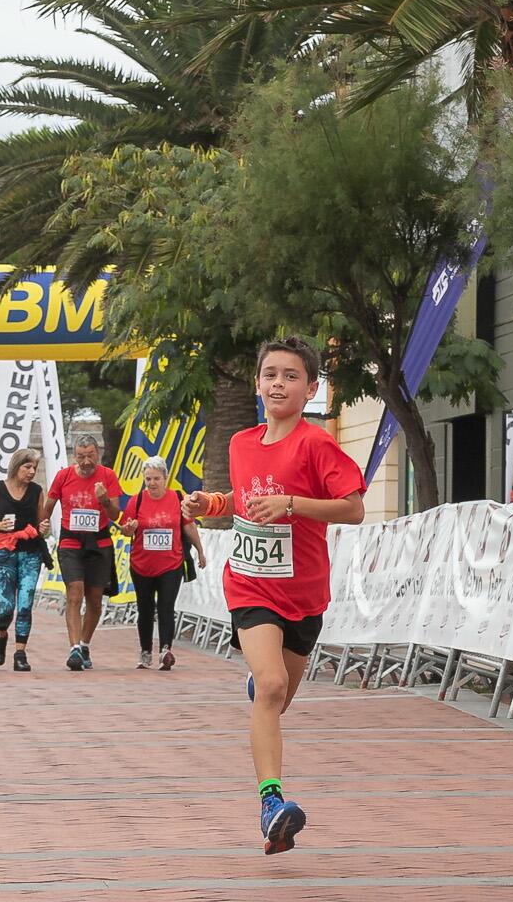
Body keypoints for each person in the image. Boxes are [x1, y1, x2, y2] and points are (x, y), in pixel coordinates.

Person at [184, 336, 364, 855]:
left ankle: (264, 686)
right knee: (268, 687)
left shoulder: (317, 445)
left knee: (279, 696)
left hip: (305, 594)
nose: (278, 383)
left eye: (290, 375)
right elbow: (242, 499)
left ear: (310, 388)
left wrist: (293, 504)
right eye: (270, 374)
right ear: (257, 383)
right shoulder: (241, 442)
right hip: (250, 584)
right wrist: (211, 501)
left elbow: (351, 508)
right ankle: (271, 803)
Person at [40, 434, 121, 671]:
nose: (86, 461)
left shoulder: (107, 476)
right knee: (74, 593)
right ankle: (74, 648)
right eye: (81, 456)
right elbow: (47, 506)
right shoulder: (63, 476)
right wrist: (41, 525)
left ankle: (85, 643)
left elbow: (116, 515)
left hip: (99, 542)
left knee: (94, 599)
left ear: (98, 454)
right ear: (74, 456)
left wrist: (104, 500)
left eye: (90, 456)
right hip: (71, 541)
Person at [117, 454, 205, 669]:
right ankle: (145, 651)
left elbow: (188, 525)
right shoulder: (136, 500)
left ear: (165, 478)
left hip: (170, 564)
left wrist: (200, 551)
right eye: (148, 479)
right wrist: (128, 529)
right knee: (145, 609)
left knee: (166, 607)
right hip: (142, 565)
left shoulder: (177, 497)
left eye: (156, 478)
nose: (152, 483)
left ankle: (166, 650)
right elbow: (125, 528)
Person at [0, 447, 50, 671]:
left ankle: (20, 653)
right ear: (16, 466)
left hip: (30, 552)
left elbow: (41, 525)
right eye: (27, 467)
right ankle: (1, 635)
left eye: (34, 468)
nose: (31, 472)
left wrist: (44, 528)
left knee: (25, 604)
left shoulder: (37, 491)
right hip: (3, 551)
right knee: (5, 607)